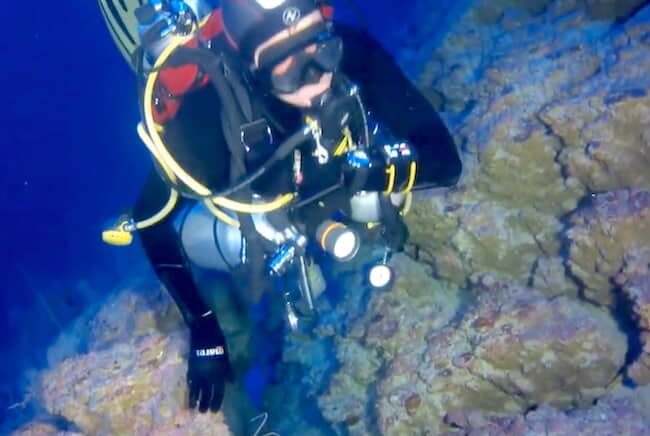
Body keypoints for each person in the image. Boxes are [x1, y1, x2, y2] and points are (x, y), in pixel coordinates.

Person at [98, 0, 462, 414]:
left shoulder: (352, 51)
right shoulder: (203, 121)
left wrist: (374, 175)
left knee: (381, 198)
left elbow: (444, 162)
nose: (316, 76)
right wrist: (205, 332)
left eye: (321, 47)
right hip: (254, 209)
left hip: (325, 177)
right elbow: (151, 223)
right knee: (219, 238)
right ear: (252, 68)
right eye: (285, 65)